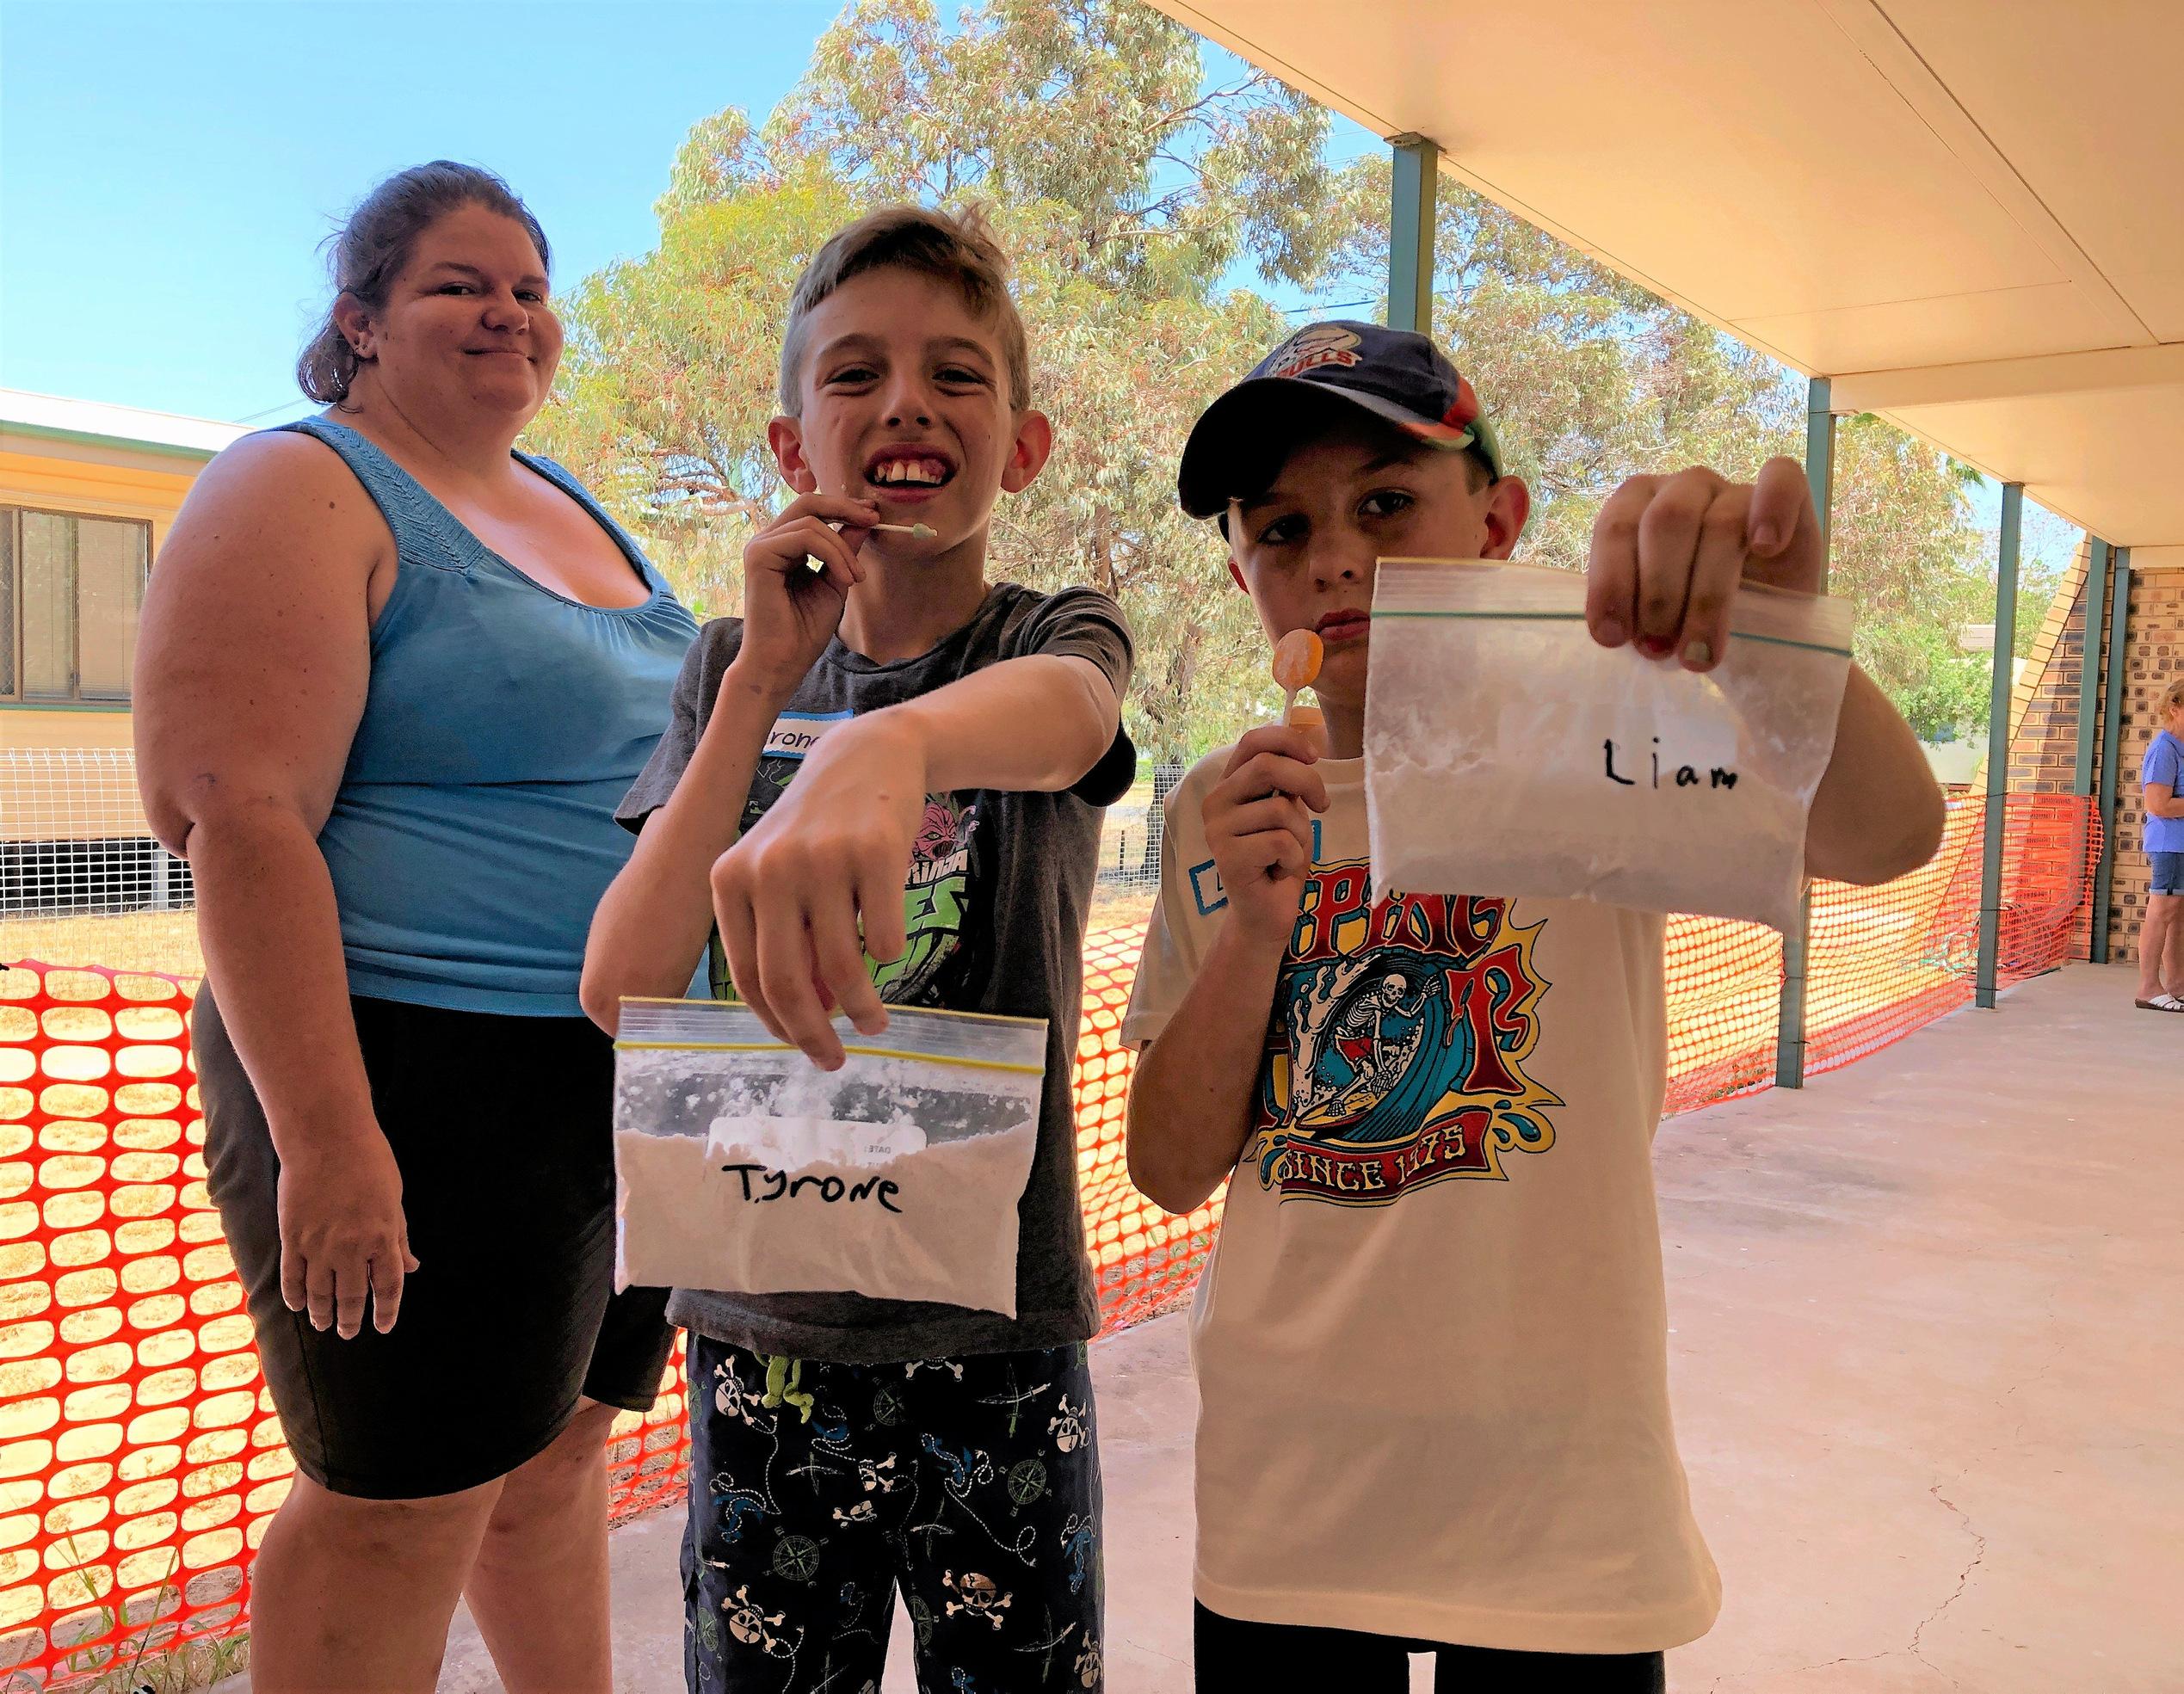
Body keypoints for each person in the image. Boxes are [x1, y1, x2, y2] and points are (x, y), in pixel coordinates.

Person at [1120, 322, 1946, 1691]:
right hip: (1289, 1496)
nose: (1331, 555)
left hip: (1561, 1506)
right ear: (1238, 572)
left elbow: (1890, 833)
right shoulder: (1230, 801)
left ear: (1496, 522)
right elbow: (1163, 1164)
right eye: (1280, 528)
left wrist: (1768, 642)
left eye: (1386, 503)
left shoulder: (1598, 735)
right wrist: (1254, 934)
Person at [134, 163, 697, 1692]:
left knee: (554, 1462)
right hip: (410, 1070)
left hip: (614, 1066)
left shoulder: (569, 505)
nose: (506, 309)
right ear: (360, 321)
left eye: (528, 286)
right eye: (459, 282)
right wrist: (330, 1134)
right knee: (396, 1506)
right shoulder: (300, 480)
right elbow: (236, 811)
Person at [581, 205, 1135, 1693]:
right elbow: (620, 983)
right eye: (855, 375)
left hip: (993, 1329)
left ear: (1019, 446)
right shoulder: (723, 664)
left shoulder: (1047, 635)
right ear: (790, 447)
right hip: (762, 1329)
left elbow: (1078, 717)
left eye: (957, 374)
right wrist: (766, 682)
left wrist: (888, 743)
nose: (905, 401)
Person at [2135, 676, 2184, 1011]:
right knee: (2162, 911)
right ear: (2174, 708)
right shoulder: (2164, 750)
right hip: (2169, 844)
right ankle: (2149, 988)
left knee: (2178, 915)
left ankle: (2177, 986)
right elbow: (2158, 804)